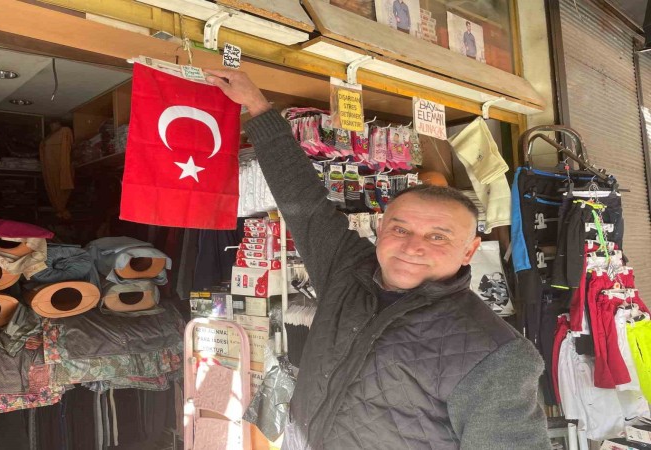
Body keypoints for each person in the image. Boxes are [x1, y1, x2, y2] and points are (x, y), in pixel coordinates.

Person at [205, 69, 549, 450]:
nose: (412, 246)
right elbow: (304, 203)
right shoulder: (347, 269)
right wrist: (258, 107)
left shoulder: (496, 354)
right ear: (381, 228)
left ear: (470, 250)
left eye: (437, 237)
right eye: (401, 229)